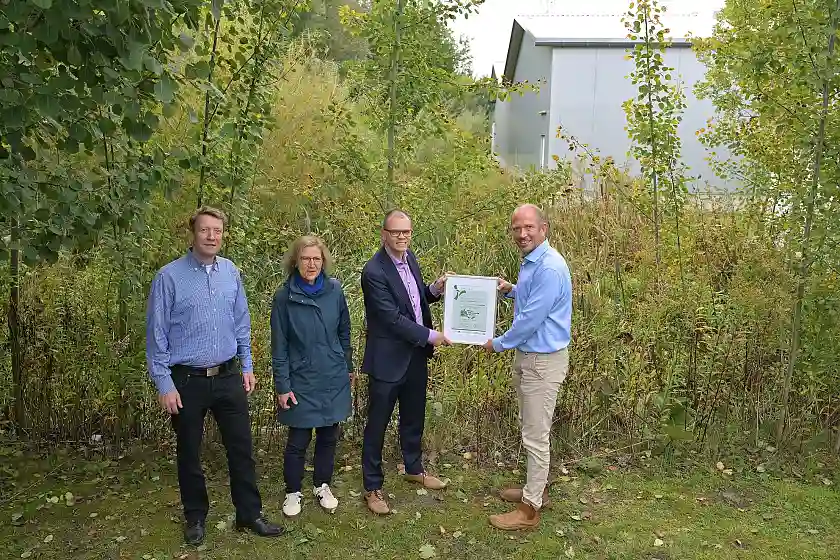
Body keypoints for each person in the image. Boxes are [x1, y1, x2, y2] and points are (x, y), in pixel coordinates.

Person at [145, 206, 283, 545]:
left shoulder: (230, 273)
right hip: (186, 381)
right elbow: (156, 335)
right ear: (193, 233)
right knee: (189, 451)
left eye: (217, 231)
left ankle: (249, 514)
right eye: (205, 230)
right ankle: (195, 517)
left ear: (223, 234)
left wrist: (247, 366)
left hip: (227, 376)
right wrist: (164, 383)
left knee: (241, 447)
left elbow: (241, 323)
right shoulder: (169, 277)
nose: (211, 236)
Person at [482, 203, 572, 531]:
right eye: (517, 229)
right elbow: (533, 300)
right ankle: (537, 489)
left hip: (542, 362)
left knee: (536, 435)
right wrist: (511, 291)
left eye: (528, 228)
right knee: (531, 428)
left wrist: (498, 343)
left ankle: (530, 509)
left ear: (543, 228)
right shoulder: (534, 262)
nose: (522, 234)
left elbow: (532, 319)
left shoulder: (549, 267)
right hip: (531, 358)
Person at [359, 209, 451, 515]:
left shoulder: (410, 258)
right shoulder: (374, 271)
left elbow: (413, 302)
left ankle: (413, 468)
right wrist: (430, 335)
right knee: (377, 424)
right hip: (387, 360)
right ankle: (372, 486)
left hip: (414, 356)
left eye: (406, 232)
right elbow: (392, 318)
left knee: (414, 416)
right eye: (396, 232)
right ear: (384, 233)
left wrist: (434, 290)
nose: (402, 237)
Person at [270, 235, 352, 518]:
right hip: (300, 378)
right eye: (305, 258)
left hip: (332, 374)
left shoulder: (335, 290)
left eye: (316, 258)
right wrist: (283, 385)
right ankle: (293, 491)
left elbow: (344, 332)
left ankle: (322, 484)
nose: (311, 264)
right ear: (296, 261)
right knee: (298, 439)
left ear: (323, 260)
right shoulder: (284, 296)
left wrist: (346, 366)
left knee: (329, 435)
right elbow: (278, 346)